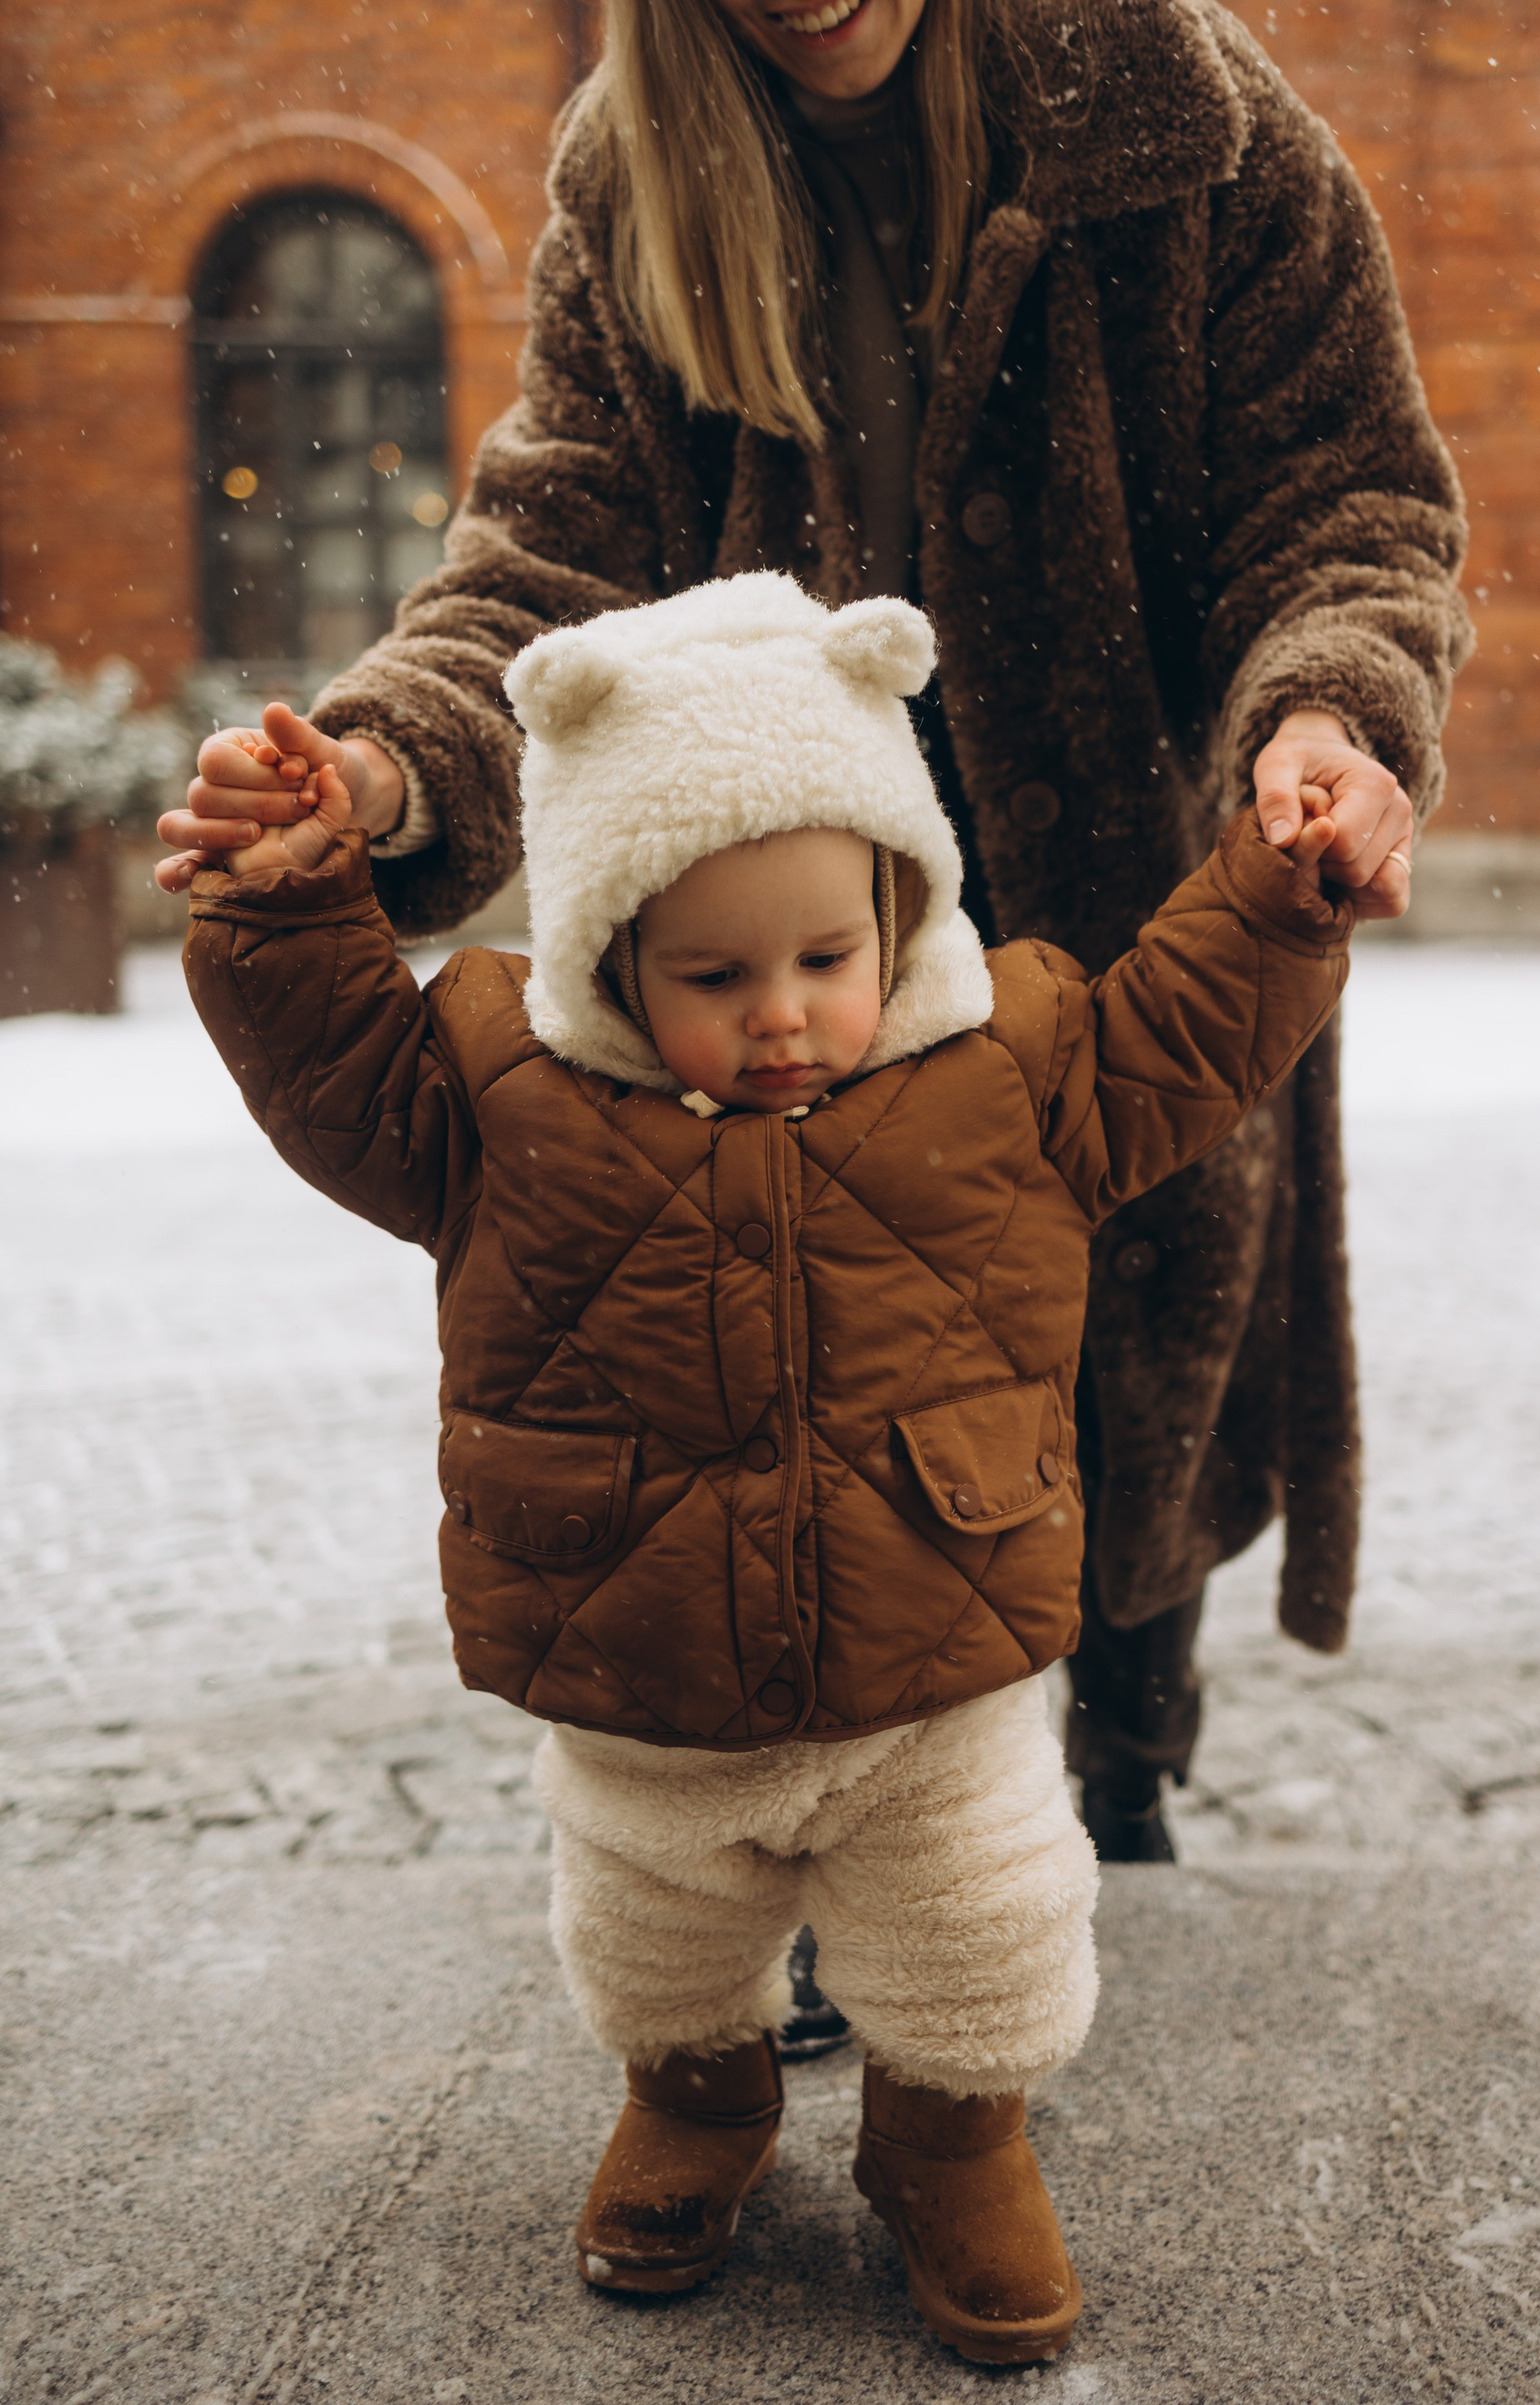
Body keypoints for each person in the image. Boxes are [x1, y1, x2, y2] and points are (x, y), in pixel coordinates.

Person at [157, 0, 1470, 1906]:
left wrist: (1327, 719)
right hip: (764, 928)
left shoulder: (1190, 129)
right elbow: (547, 549)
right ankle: (793, 1853)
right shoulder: (642, 176)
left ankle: (1121, 1755)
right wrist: (382, 769)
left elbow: (1351, 497)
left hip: (1119, 903)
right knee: (791, 1402)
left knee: (1117, 1368)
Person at [180, 571, 1354, 2362]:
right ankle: (699, 2102)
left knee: (977, 1932)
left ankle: (948, 2139)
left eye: (827, 957)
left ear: (903, 906)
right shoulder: (500, 1105)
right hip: (646, 1675)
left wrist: (1278, 899)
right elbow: (338, 1065)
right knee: (655, 1936)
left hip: (930, 1667)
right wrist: (290, 916)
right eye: (715, 976)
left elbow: (1182, 1031)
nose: (787, 1013)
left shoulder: (1010, 1069)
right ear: (609, 956)